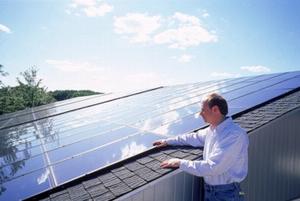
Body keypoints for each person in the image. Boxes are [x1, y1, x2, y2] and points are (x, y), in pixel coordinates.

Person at [153, 93, 249, 201]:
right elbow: (193, 137)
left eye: (203, 110)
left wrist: (180, 163)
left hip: (227, 194)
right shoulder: (213, 130)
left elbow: (213, 167)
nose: (200, 114)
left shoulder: (234, 135)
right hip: (212, 192)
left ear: (215, 110)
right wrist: (167, 141)